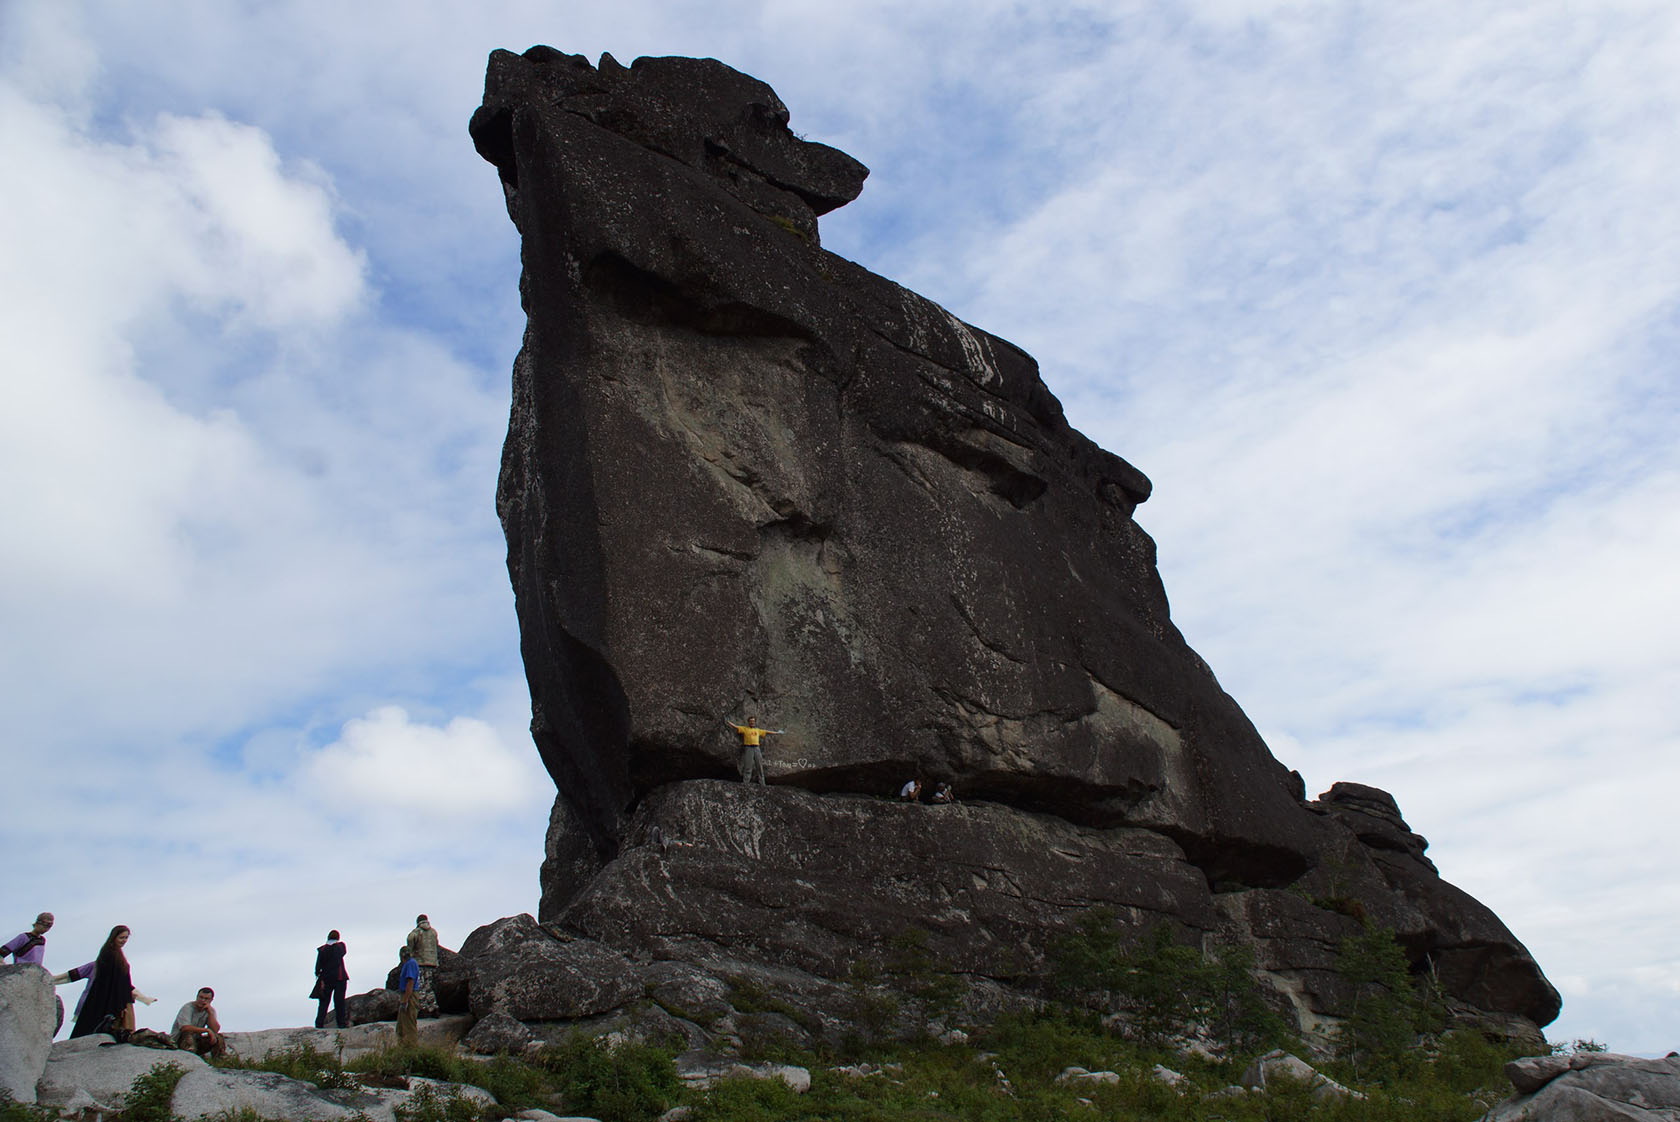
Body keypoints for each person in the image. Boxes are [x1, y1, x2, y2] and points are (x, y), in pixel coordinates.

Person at [67, 925, 153, 1038]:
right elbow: (109, 980)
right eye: (121, 938)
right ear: (114, 937)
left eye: (126, 938)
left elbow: (122, 980)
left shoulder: (116, 953)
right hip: (108, 998)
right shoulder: (109, 953)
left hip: (118, 996)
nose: (124, 941)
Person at [725, 717, 782, 784]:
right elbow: (736, 727)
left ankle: (762, 783)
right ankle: (746, 783)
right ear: (748, 722)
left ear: (755, 722)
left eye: (753, 721)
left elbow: (767, 732)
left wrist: (777, 733)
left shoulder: (757, 730)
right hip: (748, 748)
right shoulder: (745, 729)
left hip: (756, 748)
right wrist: (728, 722)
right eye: (751, 721)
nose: (752, 722)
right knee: (748, 766)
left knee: (759, 765)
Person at [171, 987, 224, 1056]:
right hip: (180, 1040)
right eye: (200, 997)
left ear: (211, 1000)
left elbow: (215, 1030)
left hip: (196, 1040)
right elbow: (185, 1028)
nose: (202, 1000)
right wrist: (206, 1030)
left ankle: (218, 1059)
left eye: (206, 999)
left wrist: (210, 1014)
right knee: (188, 1034)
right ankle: (189, 1057)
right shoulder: (187, 1008)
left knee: (218, 1037)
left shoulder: (210, 1010)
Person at [313, 930, 349, 1029]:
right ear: (338, 937)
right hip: (339, 978)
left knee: (324, 1003)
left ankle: (319, 1024)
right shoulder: (340, 946)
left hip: (326, 979)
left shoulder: (322, 950)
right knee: (339, 1002)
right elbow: (342, 952)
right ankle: (341, 1024)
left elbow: (317, 967)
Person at [395, 945, 420, 1046]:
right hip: (405, 995)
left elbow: (410, 982)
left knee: (409, 1025)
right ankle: (402, 1047)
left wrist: (405, 1001)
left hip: (409, 996)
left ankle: (411, 1049)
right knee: (401, 1026)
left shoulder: (411, 964)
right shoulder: (408, 964)